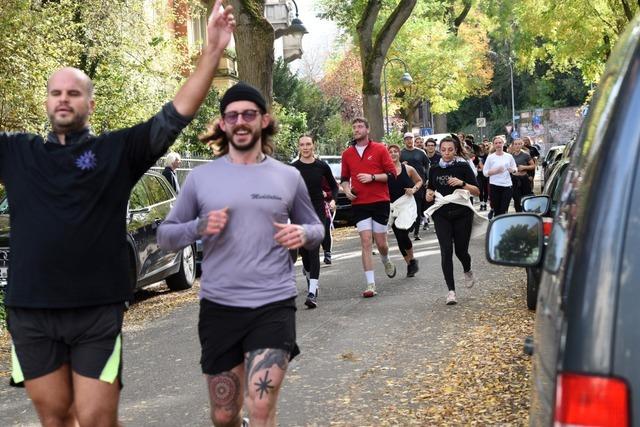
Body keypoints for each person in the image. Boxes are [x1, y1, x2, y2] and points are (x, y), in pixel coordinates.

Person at [1, 3, 235, 426]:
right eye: (57, 92)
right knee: (54, 415)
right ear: (47, 101)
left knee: (95, 416)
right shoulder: (17, 152)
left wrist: (211, 55)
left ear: (90, 102)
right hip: (30, 308)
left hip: (96, 307)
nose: (64, 99)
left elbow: (174, 116)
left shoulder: (115, 151)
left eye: (74, 93)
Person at [157, 82, 324, 426]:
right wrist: (198, 228)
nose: (240, 121)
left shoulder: (287, 176)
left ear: (264, 120)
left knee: (261, 407)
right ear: (222, 124)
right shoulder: (201, 179)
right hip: (220, 309)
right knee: (224, 414)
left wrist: (303, 233)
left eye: (249, 114)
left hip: (273, 305)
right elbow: (165, 236)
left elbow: (317, 227)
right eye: (232, 115)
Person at [340, 117, 397, 298]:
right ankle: (370, 284)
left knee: (381, 243)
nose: (356, 129)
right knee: (365, 242)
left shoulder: (380, 149)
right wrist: (347, 191)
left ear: (368, 129)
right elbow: (344, 178)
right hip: (360, 203)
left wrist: (372, 177)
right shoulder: (347, 154)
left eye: (360, 127)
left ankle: (385, 258)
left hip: (380, 201)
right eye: (354, 127)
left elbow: (392, 174)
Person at [425, 137, 480, 305]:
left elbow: (477, 191)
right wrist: (428, 194)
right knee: (446, 250)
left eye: (450, 149)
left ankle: (467, 269)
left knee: (461, 251)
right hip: (441, 214)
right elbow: (430, 189)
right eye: (444, 150)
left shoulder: (463, 166)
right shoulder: (433, 168)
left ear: (455, 150)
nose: (447, 153)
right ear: (439, 150)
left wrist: (462, 183)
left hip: (462, 212)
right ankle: (451, 291)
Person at [291, 135, 338, 308]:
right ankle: (309, 274)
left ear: (313, 146)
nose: (305, 147)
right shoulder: (293, 168)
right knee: (304, 253)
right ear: (299, 147)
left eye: (308, 144)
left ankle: (312, 292)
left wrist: (333, 199)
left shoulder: (321, 166)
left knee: (313, 249)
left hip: (317, 211)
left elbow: (334, 185)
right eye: (302, 144)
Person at [387, 144, 422, 277]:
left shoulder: (408, 169)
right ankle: (410, 264)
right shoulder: (384, 171)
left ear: (399, 154)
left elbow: (419, 181)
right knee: (399, 237)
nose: (393, 154)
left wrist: (413, 189)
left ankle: (411, 261)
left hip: (406, 204)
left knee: (402, 233)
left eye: (396, 151)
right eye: (390, 152)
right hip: (391, 207)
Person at [400, 132, 430, 241]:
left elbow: (427, 165)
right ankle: (410, 226)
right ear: (404, 140)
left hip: (418, 184)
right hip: (405, 185)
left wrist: (427, 179)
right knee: (406, 209)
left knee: (417, 208)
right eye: (406, 139)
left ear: (413, 139)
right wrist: (401, 164)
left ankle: (416, 232)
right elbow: (395, 167)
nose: (409, 141)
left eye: (410, 138)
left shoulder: (421, 152)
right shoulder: (401, 153)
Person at [482, 136, 517, 216]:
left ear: (503, 144)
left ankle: (504, 227)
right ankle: (497, 226)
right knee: (497, 210)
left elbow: (515, 169)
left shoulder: (509, 156)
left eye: (500, 143)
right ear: (493, 145)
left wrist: (513, 170)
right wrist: (495, 171)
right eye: (496, 143)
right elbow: (485, 173)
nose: (498, 145)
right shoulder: (490, 157)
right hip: (494, 186)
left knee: (504, 209)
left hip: (507, 185)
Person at [510, 138, 535, 212]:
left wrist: (524, 167)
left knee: (526, 197)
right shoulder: (510, 156)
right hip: (514, 179)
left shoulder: (525, 155)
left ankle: (527, 213)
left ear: (522, 145)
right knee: (516, 199)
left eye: (519, 144)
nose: (517, 146)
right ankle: (519, 214)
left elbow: (533, 166)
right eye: (516, 144)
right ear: (513, 145)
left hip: (524, 179)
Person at [320, 176, 335, 265]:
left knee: (325, 230)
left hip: (325, 207)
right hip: (308, 207)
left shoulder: (323, 172)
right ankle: (307, 261)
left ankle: (327, 253)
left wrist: (327, 194)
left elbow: (335, 189)